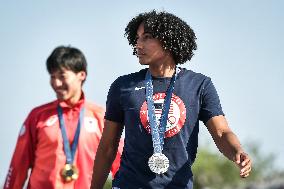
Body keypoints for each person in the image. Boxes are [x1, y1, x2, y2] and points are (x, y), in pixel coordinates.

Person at [91, 10, 252, 189]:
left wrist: (237, 151)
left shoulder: (200, 85)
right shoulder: (123, 86)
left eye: (147, 37)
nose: (138, 44)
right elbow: (107, 147)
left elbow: (221, 132)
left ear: (168, 40)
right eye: (137, 38)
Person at [4, 46, 122, 189]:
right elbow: (17, 166)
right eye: (52, 77)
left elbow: (122, 166)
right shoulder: (37, 116)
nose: (56, 83)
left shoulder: (100, 117)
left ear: (81, 75)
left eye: (62, 76)